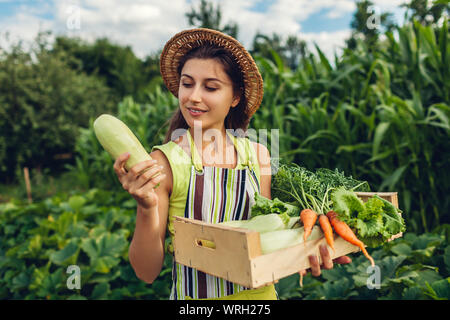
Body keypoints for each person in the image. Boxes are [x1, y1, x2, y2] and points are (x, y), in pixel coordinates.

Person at [113, 28, 351, 300]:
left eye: (211, 87)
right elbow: (146, 271)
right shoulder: (165, 162)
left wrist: (307, 252)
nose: (194, 96)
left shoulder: (257, 155)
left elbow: (268, 242)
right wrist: (146, 207)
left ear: (235, 97)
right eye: (187, 83)